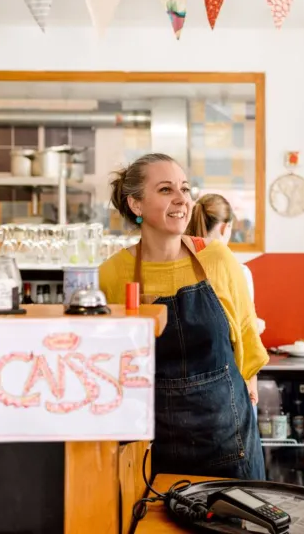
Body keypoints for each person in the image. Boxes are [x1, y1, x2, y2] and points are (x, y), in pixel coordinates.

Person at [99, 153, 267, 480]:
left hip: (227, 441)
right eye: (166, 189)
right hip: (150, 447)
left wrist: (250, 383)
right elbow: (108, 369)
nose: (182, 199)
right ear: (136, 204)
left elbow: (247, 337)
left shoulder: (217, 259)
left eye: (185, 189)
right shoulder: (112, 274)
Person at [185, 193, 262, 408]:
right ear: (224, 227)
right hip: (227, 379)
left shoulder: (177, 267)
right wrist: (252, 382)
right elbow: (246, 333)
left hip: (184, 378)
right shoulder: (237, 271)